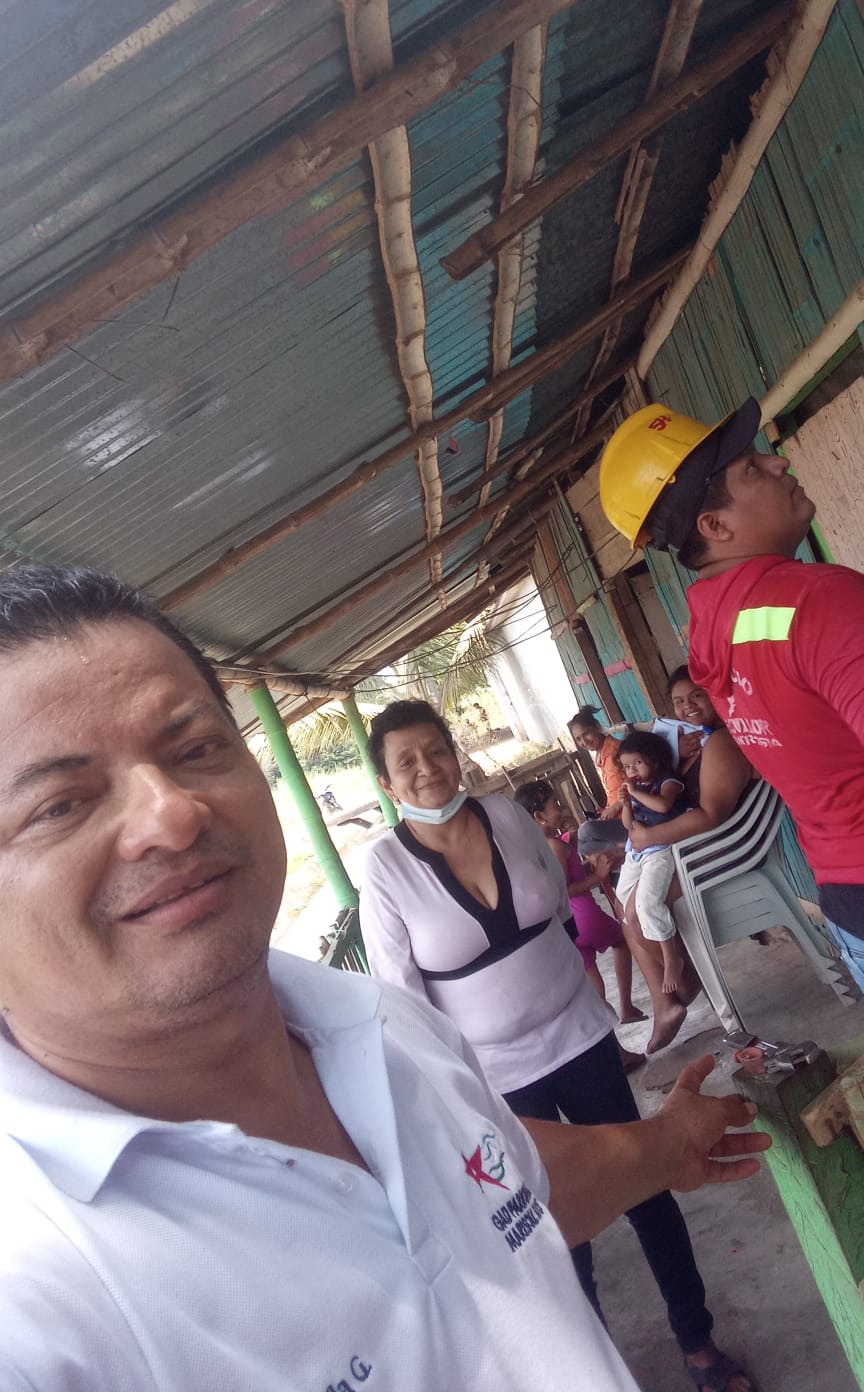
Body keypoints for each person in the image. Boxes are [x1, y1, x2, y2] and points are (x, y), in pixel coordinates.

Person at [0, 565, 769, 1392]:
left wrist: (667, 1142)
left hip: (577, 1038)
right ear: (384, 782)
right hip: (515, 1066)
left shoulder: (386, 1030)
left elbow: (507, 1188)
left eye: (195, 749)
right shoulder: (36, 1306)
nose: (172, 813)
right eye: (59, 804)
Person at [360, 698, 760, 1392]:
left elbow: (551, 899)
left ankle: (699, 1346)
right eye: (406, 761)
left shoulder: (506, 815)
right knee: (553, 1234)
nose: (426, 768)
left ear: (454, 754)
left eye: (435, 749)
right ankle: (593, 1375)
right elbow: (401, 1000)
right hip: (498, 1082)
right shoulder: (385, 869)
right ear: (387, 783)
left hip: (581, 1038)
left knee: (649, 1185)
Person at [598, 396, 864, 991]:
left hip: (846, 900)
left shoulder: (713, 636)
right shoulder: (819, 601)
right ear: (715, 527)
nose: (778, 463)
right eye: (752, 467)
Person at [577, 667, 752, 1052]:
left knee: (636, 910)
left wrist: (648, 837)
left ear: (716, 694)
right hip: (685, 844)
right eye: (678, 701)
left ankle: (681, 985)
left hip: (713, 848)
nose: (688, 706)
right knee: (625, 907)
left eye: (697, 696)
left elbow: (711, 814)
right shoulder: (697, 741)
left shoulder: (721, 741)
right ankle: (667, 1001)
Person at [513, 778, 646, 1024]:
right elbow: (565, 890)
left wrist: (572, 840)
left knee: (595, 988)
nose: (560, 808)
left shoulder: (537, 848)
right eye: (555, 805)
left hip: (569, 926)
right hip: (585, 916)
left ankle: (606, 1034)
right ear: (540, 817)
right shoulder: (555, 846)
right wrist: (598, 876)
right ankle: (626, 1007)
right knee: (622, 941)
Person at [616, 731, 688, 996]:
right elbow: (628, 824)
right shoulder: (638, 790)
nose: (632, 770)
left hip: (660, 850)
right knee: (622, 896)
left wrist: (635, 792)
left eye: (637, 763)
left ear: (655, 760)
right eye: (627, 766)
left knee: (646, 903)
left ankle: (671, 955)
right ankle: (659, 944)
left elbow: (663, 807)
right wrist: (627, 804)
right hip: (637, 851)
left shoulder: (668, 782)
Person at [568, 706, 628, 826]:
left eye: (586, 734)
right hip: (616, 816)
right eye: (578, 739)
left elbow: (640, 781)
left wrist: (616, 807)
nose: (584, 742)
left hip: (630, 816)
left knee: (587, 829)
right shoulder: (600, 756)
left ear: (597, 727)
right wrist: (607, 808)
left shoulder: (617, 750)